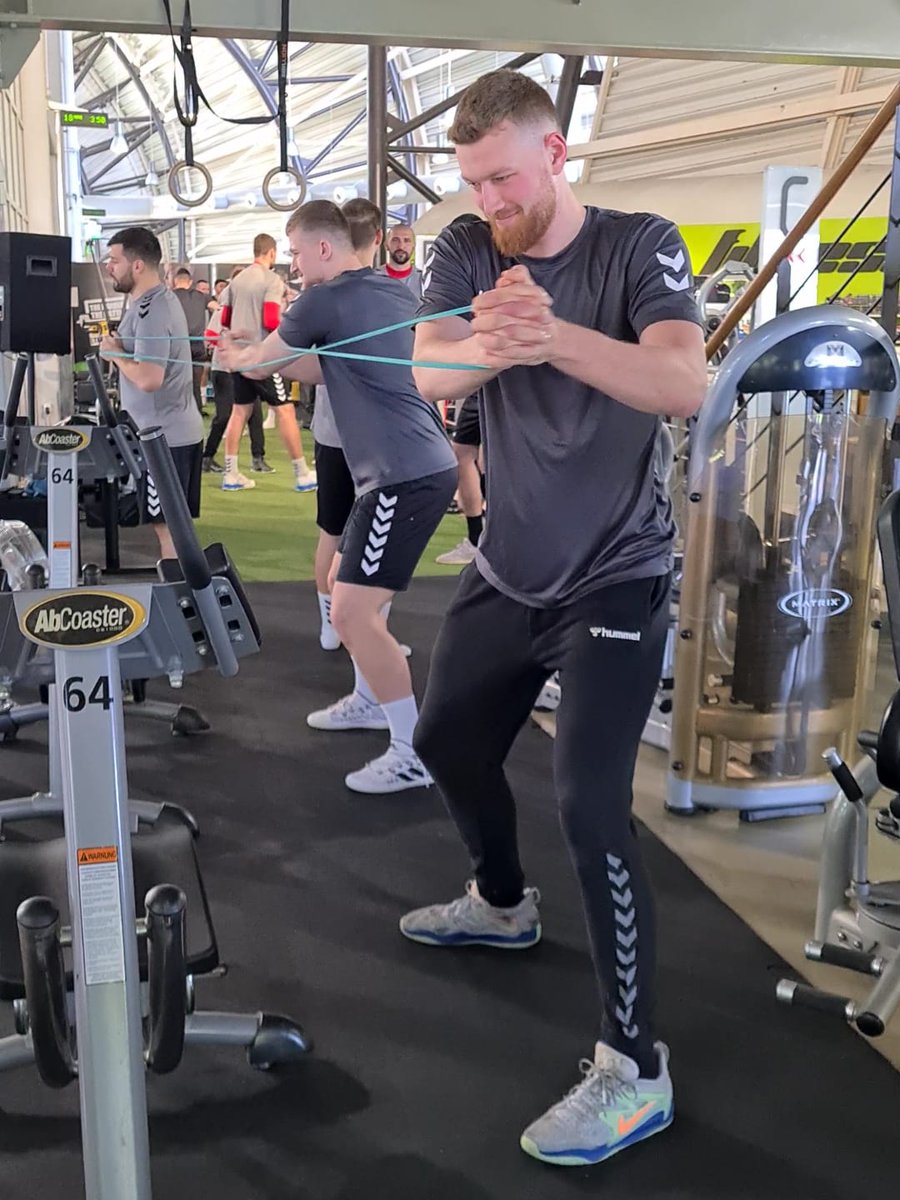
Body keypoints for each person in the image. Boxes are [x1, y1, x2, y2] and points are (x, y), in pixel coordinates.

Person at [399, 68, 707, 1167]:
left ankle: (636, 1070)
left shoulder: (638, 243)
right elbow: (427, 361)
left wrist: (552, 338)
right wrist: (488, 340)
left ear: (557, 153)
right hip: (510, 565)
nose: (489, 199)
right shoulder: (468, 246)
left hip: (617, 575)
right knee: (442, 740)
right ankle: (499, 900)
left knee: (587, 804)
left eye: (505, 177)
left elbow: (683, 383)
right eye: (472, 180)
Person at [217, 201, 458, 794]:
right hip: (405, 471)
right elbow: (328, 369)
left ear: (324, 248)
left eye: (296, 253)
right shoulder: (386, 292)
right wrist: (253, 355)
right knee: (351, 595)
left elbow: (267, 362)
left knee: (350, 609)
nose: (294, 266)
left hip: (406, 475)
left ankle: (414, 751)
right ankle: (371, 699)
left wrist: (238, 355)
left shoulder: (327, 298)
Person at [99, 227, 205, 561]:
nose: (108, 267)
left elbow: (148, 378)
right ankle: (187, 600)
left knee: (169, 528)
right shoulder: (147, 303)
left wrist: (114, 354)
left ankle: (182, 605)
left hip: (166, 440)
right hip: (167, 433)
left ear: (138, 265)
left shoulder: (153, 310)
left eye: (115, 260)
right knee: (172, 526)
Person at [311, 197, 384, 652]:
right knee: (363, 537)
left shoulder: (328, 294)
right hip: (363, 439)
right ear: (377, 238)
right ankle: (344, 626)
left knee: (336, 533)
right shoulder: (379, 294)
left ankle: (342, 627)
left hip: (347, 436)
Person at [218, 233, 316, 491]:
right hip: (263, 357)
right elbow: (271, 320)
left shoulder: (236, 281)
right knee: (284, 410)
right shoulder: (271, 280)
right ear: (271, 253)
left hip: (239, 357)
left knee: (240, 411)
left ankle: (231, 473)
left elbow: (225, 318)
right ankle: (302, 472)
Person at [171, 266, 209, 412]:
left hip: (176, 347)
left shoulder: (169, 297)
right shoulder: (201, 296)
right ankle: (197, 413)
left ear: (175, 281)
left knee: (176, 385)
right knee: (195, 386)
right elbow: (216, 307)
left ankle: (179, 415)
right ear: (190, 282)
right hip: (197, 347)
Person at [378, 224, 423, 300]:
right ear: (386, 245)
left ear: (413, 246)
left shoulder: (424, 281)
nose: (401, 246)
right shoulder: (373, 278)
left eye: (407, 240)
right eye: (395, 240)